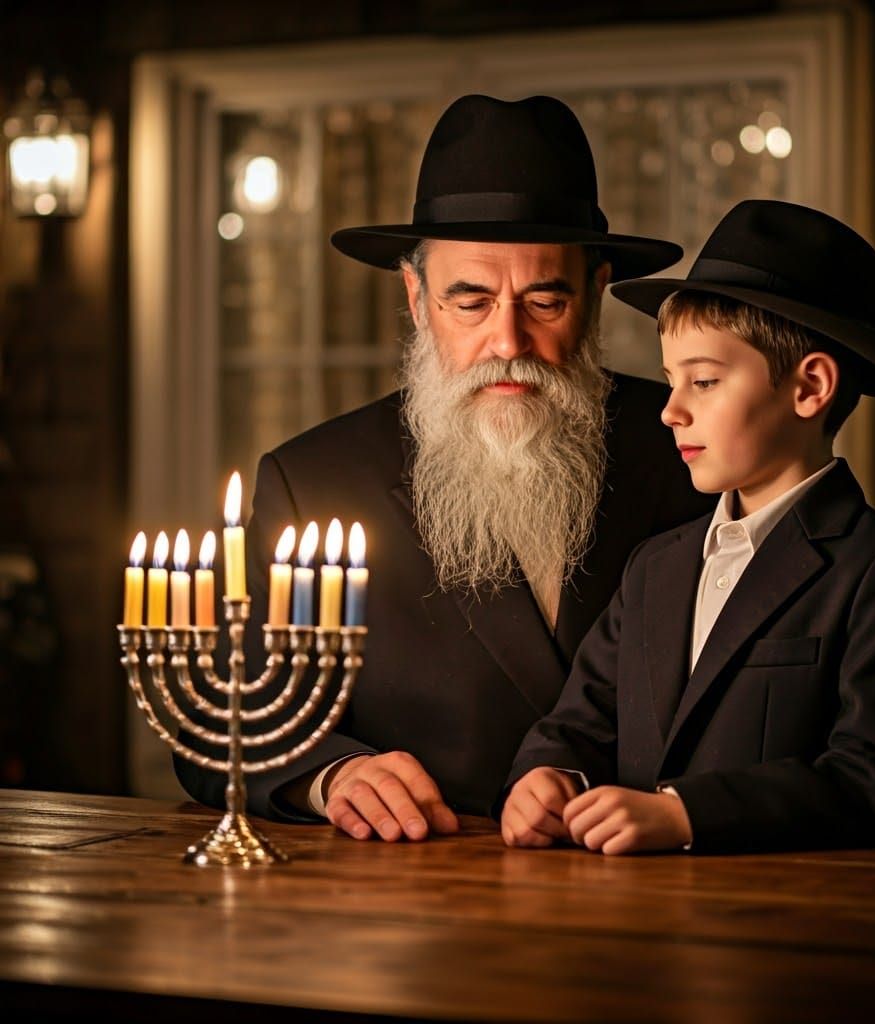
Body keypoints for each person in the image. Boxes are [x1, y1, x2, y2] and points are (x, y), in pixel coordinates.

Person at [174, 94, 715, 838]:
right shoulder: (314, 482)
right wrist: (331, 777)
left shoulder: (692, 449)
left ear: (595, 293)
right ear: (416, 296)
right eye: (471, 301)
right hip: (420, 900)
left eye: (545, 300)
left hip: (676, 892)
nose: (507, 340)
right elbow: (215, 721)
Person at [501, 199, 875, 855]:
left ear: (810, 387)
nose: (671, 411)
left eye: (704, 381)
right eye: (670, 381)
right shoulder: (655, 565)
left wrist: (687, 816)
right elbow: (580, 720)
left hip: (789, 929)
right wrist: (544, 778)